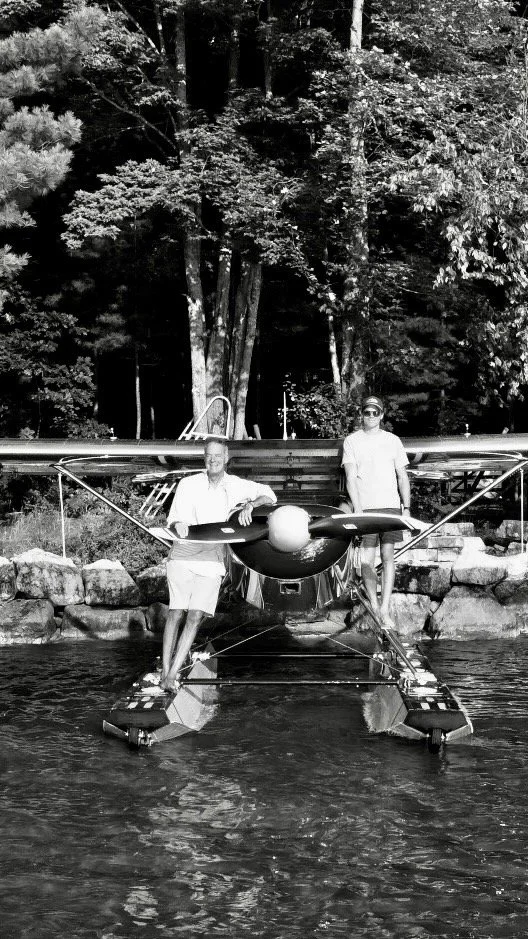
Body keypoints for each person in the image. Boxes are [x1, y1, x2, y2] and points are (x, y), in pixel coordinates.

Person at [161, 437, 277, 691]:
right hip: (183, 554)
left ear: (226, 459)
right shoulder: (187, 484)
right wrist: (178, 524)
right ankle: (164, 670)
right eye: (208, 455)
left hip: (212, 560)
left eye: (217, 456)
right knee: (175, 612)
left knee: (194, 616)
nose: (213, 460)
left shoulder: (236, 485)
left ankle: (171, 676)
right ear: (204, 458)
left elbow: (269, 494)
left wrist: (251, 505)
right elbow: (172, 520)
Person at [342, 395, 411, 628]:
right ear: (361, 414)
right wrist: (358, 510)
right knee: (366, 561)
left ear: (381, 415)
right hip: (366, 509)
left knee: (389, 557)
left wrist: (407, 507)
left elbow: (402, 476)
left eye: (375, 412)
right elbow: (350, 478)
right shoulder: (351, 441)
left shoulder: (393, 440)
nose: (370, 416)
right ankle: (373, 604)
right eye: (366, 412)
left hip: (391, 507)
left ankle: (385, 608)